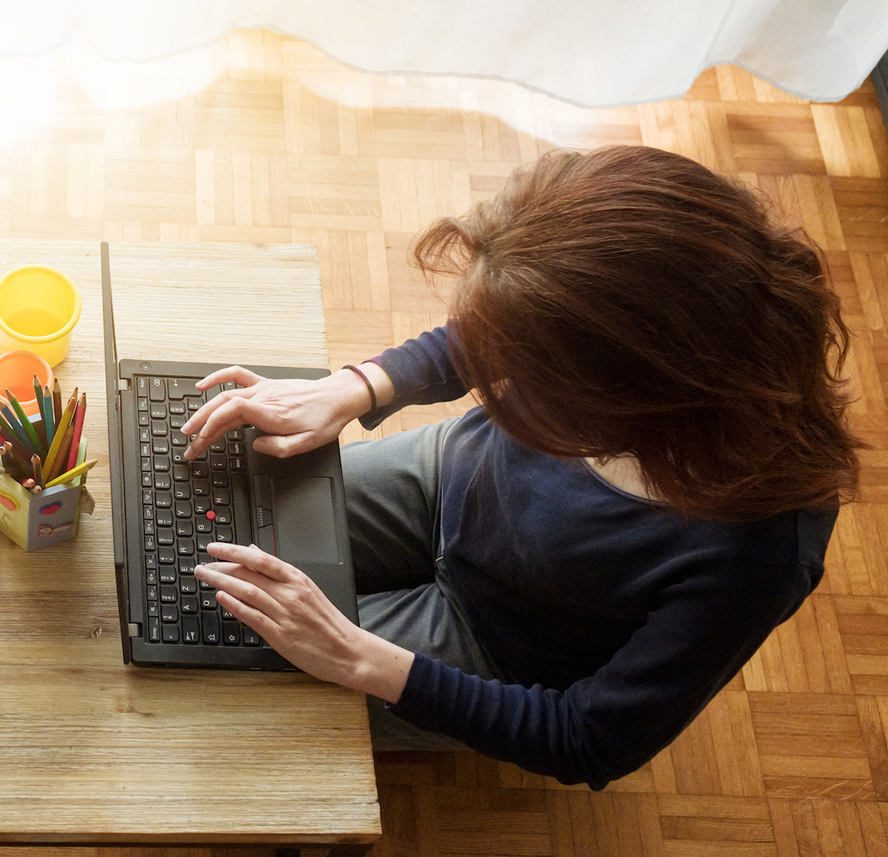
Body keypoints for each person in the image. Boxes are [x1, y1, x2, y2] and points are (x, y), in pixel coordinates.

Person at [182, 145, 863, 790]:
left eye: (540, 383)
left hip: (499, 645)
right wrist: (360, 385)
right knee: (212, 523)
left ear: (636, 390)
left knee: (229, 666)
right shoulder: (646, 320)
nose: (507, 385)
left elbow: (589, 741)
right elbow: (511, 323)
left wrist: (359, 658)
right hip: (446, 482)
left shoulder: (759, 554)